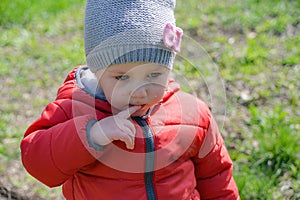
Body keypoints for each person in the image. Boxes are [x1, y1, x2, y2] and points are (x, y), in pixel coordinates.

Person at [20, 0, 240, 199]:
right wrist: (93, 134)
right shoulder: (75, 108)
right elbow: (38, 162)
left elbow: (216, 177)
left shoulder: (193, 114)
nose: (139, 91)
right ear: (97, 71)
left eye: (154, 75)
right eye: (122, 77)